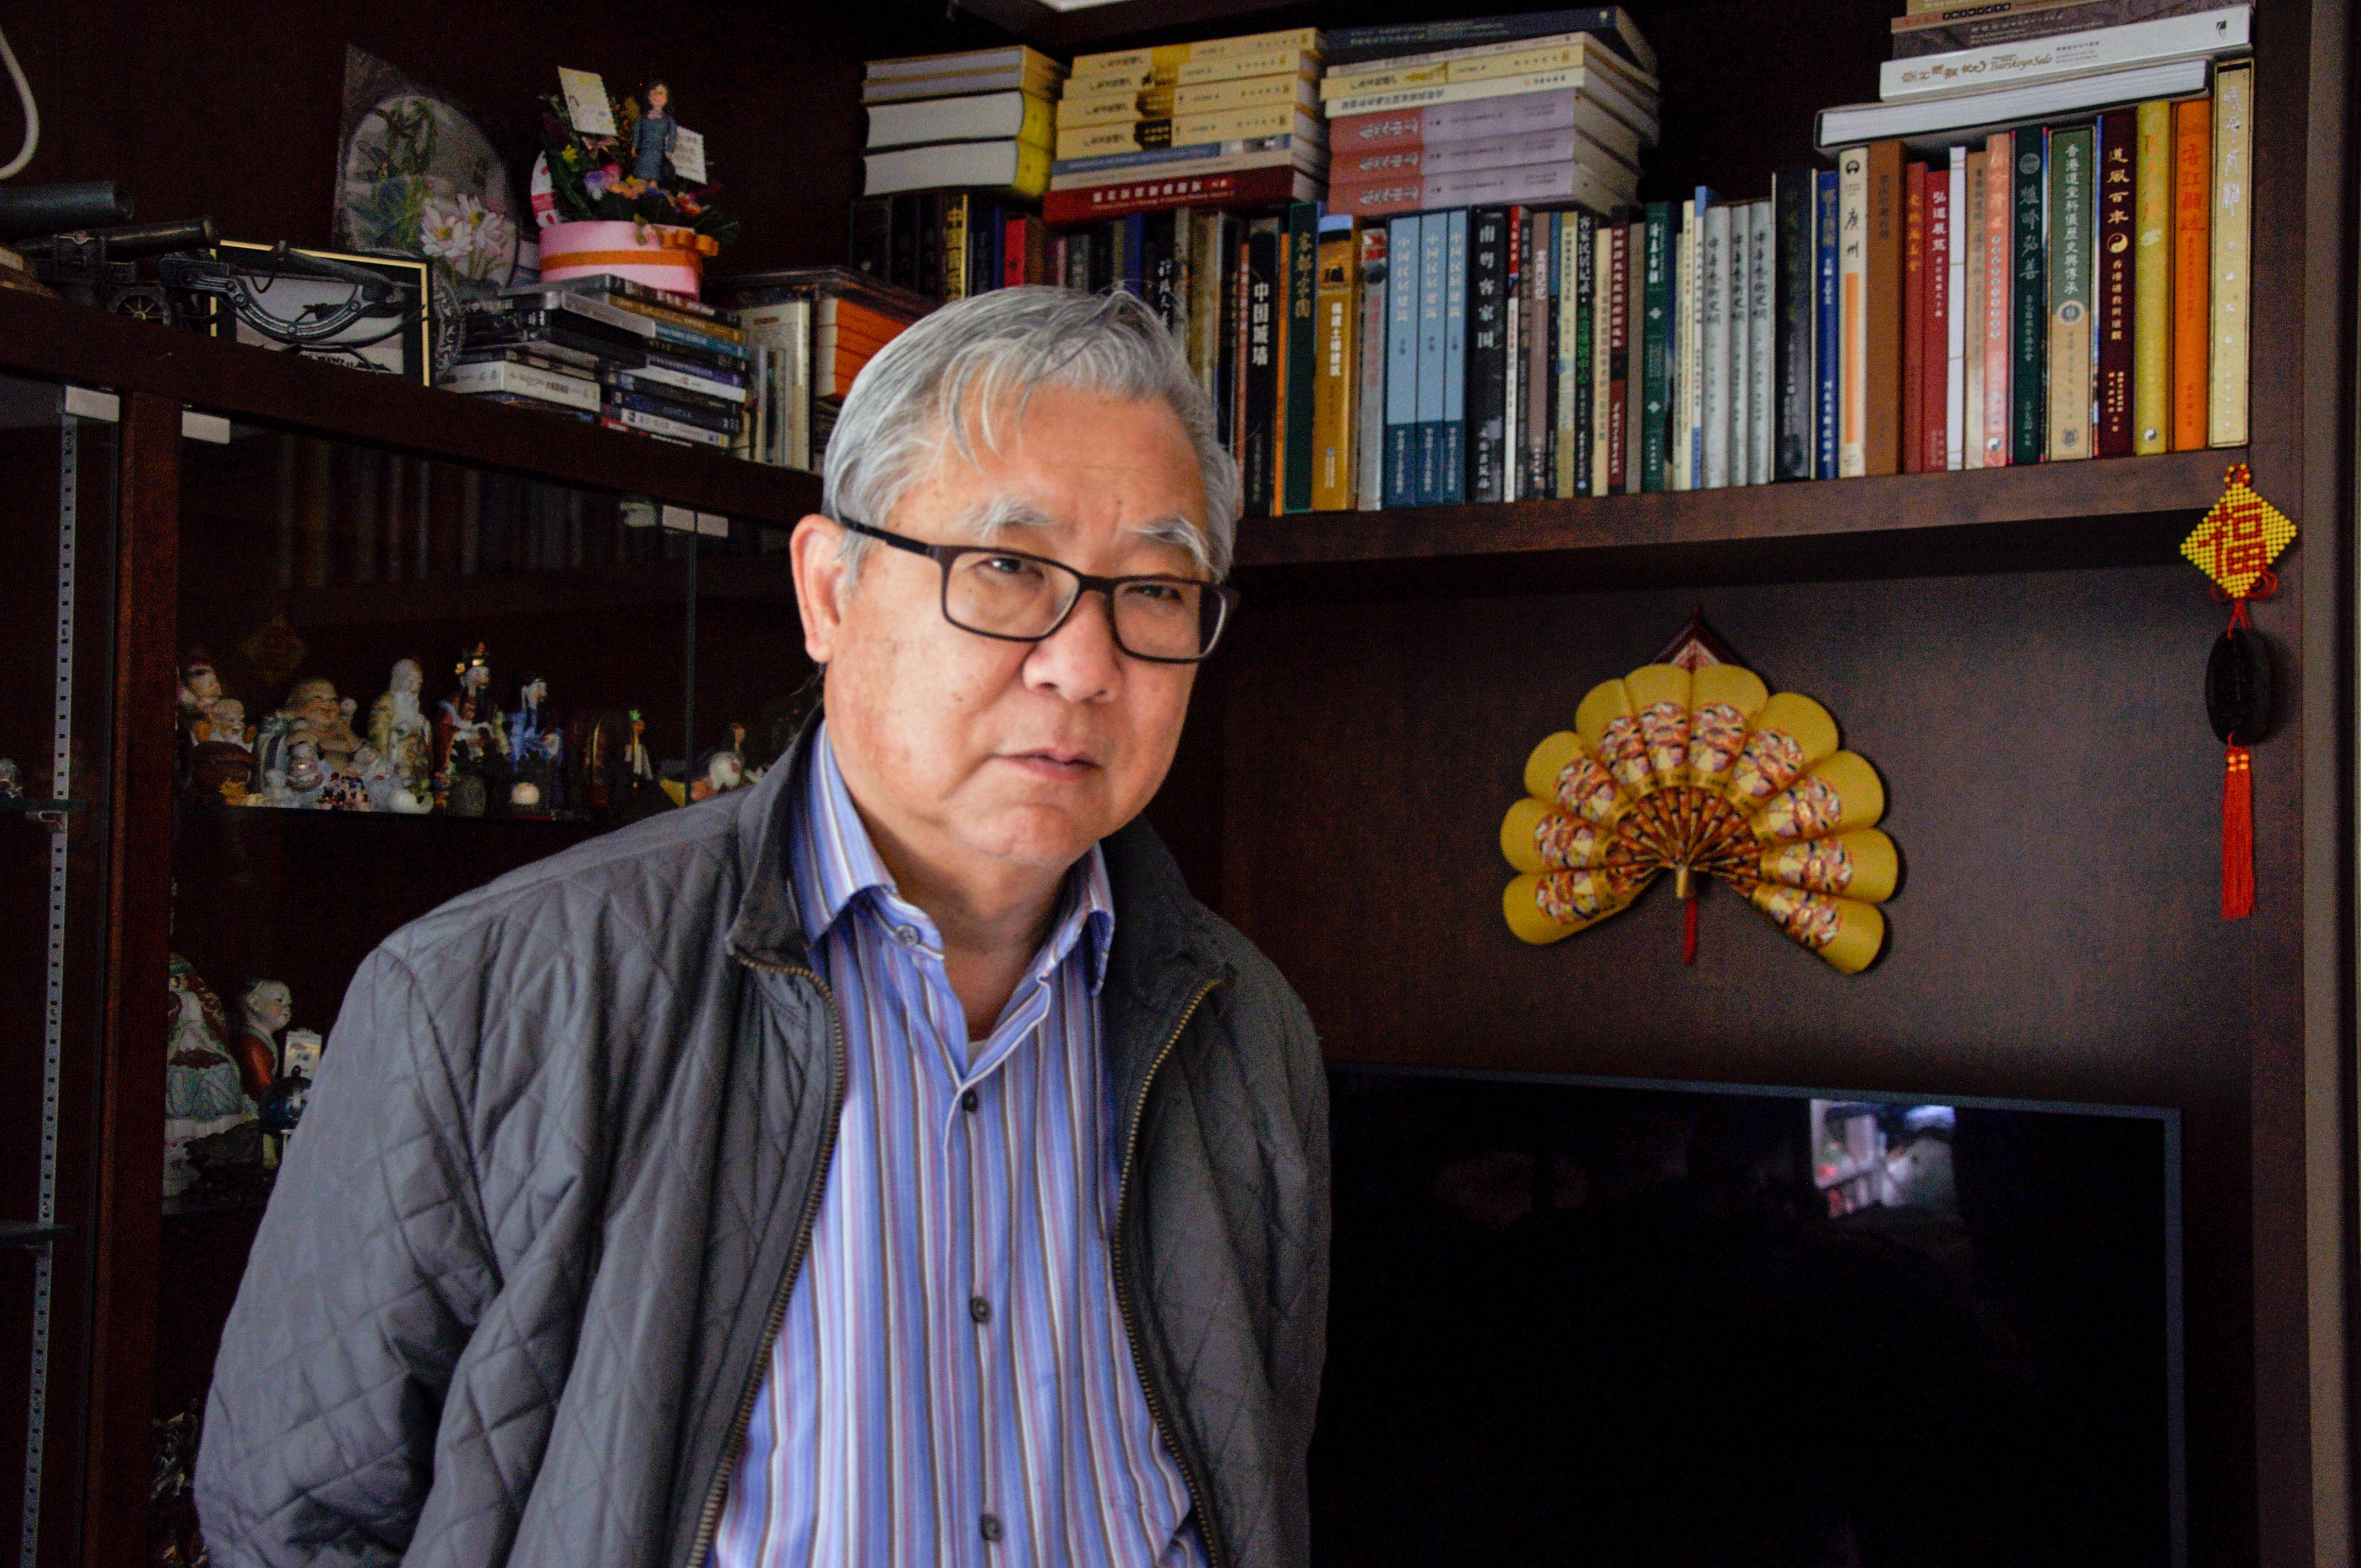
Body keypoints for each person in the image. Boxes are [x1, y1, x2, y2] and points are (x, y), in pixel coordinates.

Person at [196, 286, 1329, 1568]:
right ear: (829, 588)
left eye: (1156, 590)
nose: (1083, 663)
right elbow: (296, 1528)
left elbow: (1251, 1481)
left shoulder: (1244, 1030)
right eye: (1007, 567)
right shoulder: (481, 997)